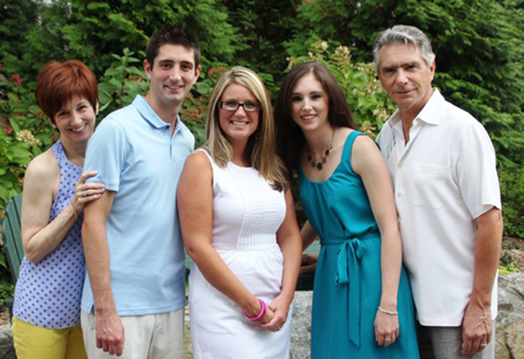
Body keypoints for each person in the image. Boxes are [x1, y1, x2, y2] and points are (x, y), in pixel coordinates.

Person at [274, 61, 419, 358]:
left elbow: (390, 227)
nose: (306, 106)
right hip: (332, 277)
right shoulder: (298, 154)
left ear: (330, 99)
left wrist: (388, 305)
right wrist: (283, 256)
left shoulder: (360, 147)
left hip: (374, 273)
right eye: (297, 98)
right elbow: (323, 215)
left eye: (315, 96)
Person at [374, 25, 503, 359]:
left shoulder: (463, 131)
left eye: (410, 67)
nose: (401, 78)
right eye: (390, 70)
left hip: (457, 311)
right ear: (379, 78)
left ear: (431, 69)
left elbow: (490, 222)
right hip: (404, 303)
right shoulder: (384, 137)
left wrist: (480, 306)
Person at [80, 24, 201, 358]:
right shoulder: (116, 130)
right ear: (148, 69)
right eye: (166, 65)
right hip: (119, 309)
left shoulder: (187, 140)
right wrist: (105, 311)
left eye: (185, 67)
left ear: (196, 73)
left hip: (171, 302)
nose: (175, 75)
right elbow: (92, 223)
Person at [177, 66, 302, 358]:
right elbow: (196, 246)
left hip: (275, 304)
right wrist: (251, 305)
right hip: (224, 307)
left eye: (250, 105)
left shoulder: (273, 168)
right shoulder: (201, 164)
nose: (240, 113)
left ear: (261, 112)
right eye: (230, 103)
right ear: (217, 108)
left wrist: (285, 297)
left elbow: (290, 236)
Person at [12, 60, 104, 359]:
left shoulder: (109, 159)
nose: (75, 120)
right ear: (52, 120)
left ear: (96, 105)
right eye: (63, 113)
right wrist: (73, 208)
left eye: (82, 108)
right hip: (42, 312)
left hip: (87, 313)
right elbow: (32, 249)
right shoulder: (43, 169)